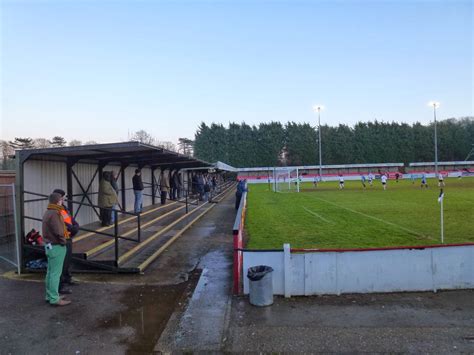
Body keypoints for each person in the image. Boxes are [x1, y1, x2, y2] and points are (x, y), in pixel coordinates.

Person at [42, 192, 71, 306]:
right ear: (58, 201)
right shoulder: (55, 213)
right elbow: (59, 231)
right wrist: (64, 241)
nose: (62, 202)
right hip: (56, 246)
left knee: (50, 273)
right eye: (61, 200)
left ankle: (50, 295)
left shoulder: (48, 212)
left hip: (49, 245)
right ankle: (54, 298)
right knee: (55, 274)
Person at [52, 189, 80, 294]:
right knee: (62, 263)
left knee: (67, 261)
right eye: (63, 197)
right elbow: (65, 224)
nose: (64, 199)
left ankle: (67, 278)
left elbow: (70, 220)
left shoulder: (63, 208)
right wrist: (74, 228)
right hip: (62, 239)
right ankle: (61, 285)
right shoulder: (56, 211)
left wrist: (75, 227)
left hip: (67, 237)